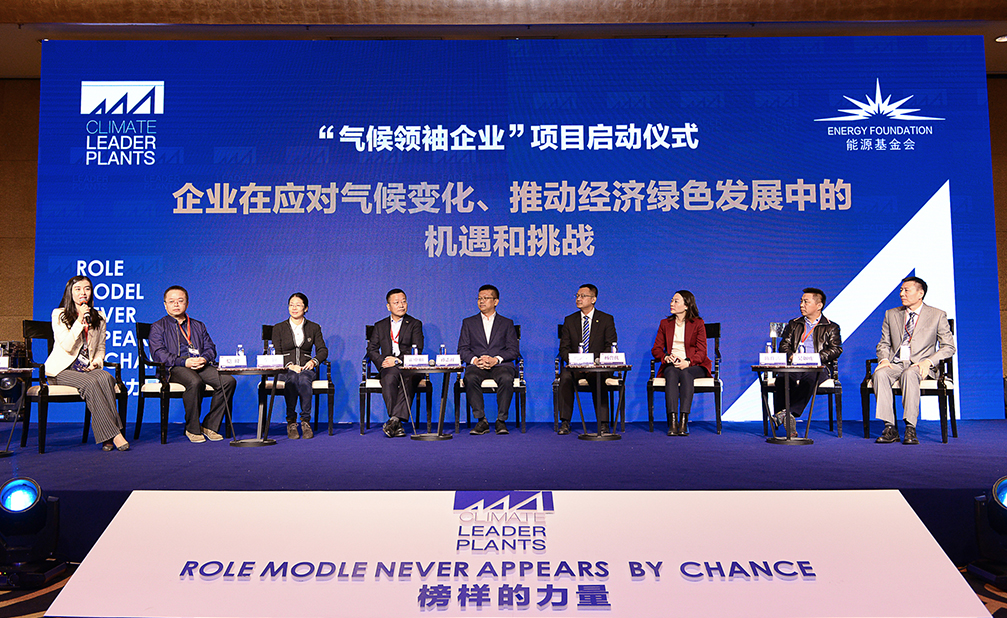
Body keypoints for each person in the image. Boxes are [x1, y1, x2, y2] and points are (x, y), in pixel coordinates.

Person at [44, 276, 130, 451]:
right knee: (91, 383)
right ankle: (115, 434)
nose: (83, 293)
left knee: (106, 377)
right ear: (70, 292)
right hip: (61, 371)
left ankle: (108, 436)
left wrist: (97, 362)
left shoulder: (99, 316)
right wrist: (79, 320)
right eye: (78, 289)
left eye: (87, 289)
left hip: (85, 368)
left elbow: (100, 347)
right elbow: (67, 345)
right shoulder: (59, 314)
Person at [872, 276, 955, 445]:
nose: (902, 294)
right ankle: (890, 427)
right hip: (896, 363)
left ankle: (910, 427)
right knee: (880, 374)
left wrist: (928, 362)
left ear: (920, 293)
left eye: (906, 290)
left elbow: (948, 347)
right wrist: (884, 359)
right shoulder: (891, 314)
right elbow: (884, 343)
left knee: (909, 374)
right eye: (901, 290)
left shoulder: (937, 315)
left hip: (921, 365)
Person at [149, 285, 236, 443]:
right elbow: (158, 354)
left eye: (180, 301)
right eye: (171, 301)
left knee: (228, 381)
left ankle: (209, 426)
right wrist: (184, 361)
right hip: (173, 367)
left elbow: (210, 348)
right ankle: (192, 428)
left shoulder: (198, 325)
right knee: (195, 382)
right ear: (165, 305)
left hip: (200, 365)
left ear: (187, 303)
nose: (176, 304)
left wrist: (204, 359)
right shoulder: (158, 326)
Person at [771, 287, 842, 438]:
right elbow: (784, 345)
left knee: (811, 378)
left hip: (819, 367)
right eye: (801, 301)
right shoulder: (794, 324)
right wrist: (791, 356)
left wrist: (816, 358)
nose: (801, 305)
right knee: (783, 377)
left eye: (806, 302)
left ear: (819, 305)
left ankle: (784, 414)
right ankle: (787, 417)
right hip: (795, 365)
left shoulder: (831, 327)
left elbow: (836, 349)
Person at [457, 285, 519, 435]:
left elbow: (513, 350)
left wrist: (496, 359)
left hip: (500, 365)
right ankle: (481, 420)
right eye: (479, 298)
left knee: (506, 378)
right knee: (470, 378)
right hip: (477, 366)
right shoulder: (468, 322)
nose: (481, 301)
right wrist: (475, 360)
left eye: (486, 298)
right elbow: (462, 349)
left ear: (496, 301)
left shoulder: (506, 323)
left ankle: (501, 420)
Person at [557, 284, 618, 435]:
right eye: (577, 296)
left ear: (593, 299)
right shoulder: (570, 320)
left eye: (583, 296)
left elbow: (610, 345)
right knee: (565, 377)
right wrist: (575, 361)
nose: (579, 299)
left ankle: (603, 423)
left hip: (597, 366)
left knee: (597, 377)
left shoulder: (606, 319)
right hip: (575, 367)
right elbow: (563, 348)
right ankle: (565, 422)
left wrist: (595, 362)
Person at [650, 290, 712, 436]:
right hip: (672, 364)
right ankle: (672, 422)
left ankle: (684, 421)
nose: (671, 303)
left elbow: (702, 351)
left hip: (695, 365)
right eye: (672, 300)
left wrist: (688, 362)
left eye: (676, 301)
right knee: (671, 373)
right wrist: (665, 357)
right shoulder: (665, 324)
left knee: (686, 373)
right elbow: (656, 349)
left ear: (686, 305)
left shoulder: (698, 323)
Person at [367, 289, 424, 438]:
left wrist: (398, 360)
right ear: (388, 306)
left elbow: (417, 348)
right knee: (388, 378)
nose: (401, 305)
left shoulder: (415, 324)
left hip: (409, 366)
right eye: (396, 302)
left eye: (404, 301)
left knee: (409, 379)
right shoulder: (380, 325)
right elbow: (371, 349)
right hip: (389, 367)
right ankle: (396, 423)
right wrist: (383, 362)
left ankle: (394, 420)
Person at [272, 292, 327, 440]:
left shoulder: (314, 327)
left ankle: (305, 421)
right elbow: (276, 352)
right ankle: (291, 421)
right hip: (285, 369)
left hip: (306, 369)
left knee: (303, 379)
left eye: (298, 305)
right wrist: (290, 365)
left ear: (306, 308)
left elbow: (323, 350)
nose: (294, 308)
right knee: (291, 379)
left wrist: (313, 361)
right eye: (291, 305)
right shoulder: (278, 328)